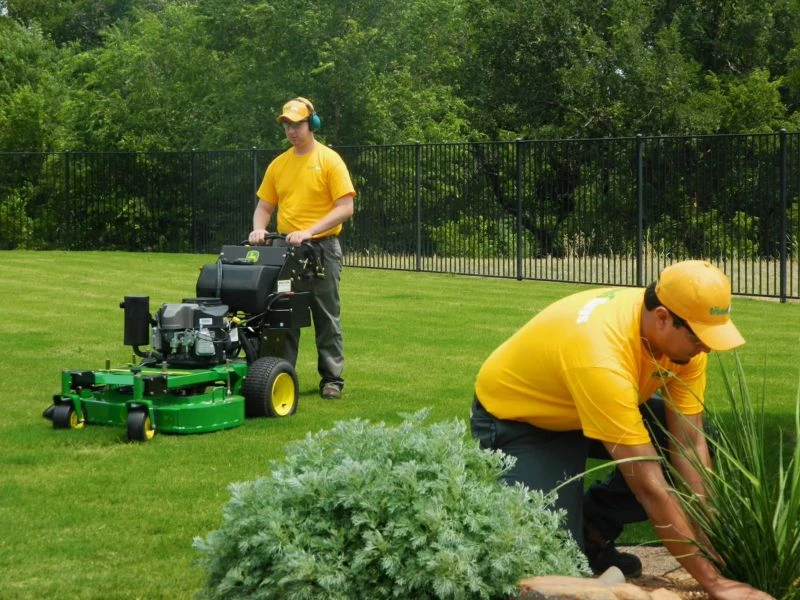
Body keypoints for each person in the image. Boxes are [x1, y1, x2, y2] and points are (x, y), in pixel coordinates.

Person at [470, 260, 775, 600]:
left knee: (697, 441)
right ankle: (577, 537)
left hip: (591, 402)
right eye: (700, 337)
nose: (707, 347)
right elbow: (649, 486)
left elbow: (688, 445)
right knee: (547, 559)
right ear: (662, 317)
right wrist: (715, 583)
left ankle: (594, 527)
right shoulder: (601, 353)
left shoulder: (683, 344)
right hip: (521, 420)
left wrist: (718, 549)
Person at [248, 97, 355, 400]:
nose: (292, 131)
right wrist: (259, 228)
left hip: (322, 249)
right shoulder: (278, 164)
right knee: (281, 313)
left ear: (312, 124)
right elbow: (264, 206)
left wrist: (309, 230)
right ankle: (279, 375)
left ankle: (332, 379)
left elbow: (345, 207)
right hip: (286, 250)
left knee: (326, 315)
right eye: (287, 126)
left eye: (297, 124)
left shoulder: (328, 160)